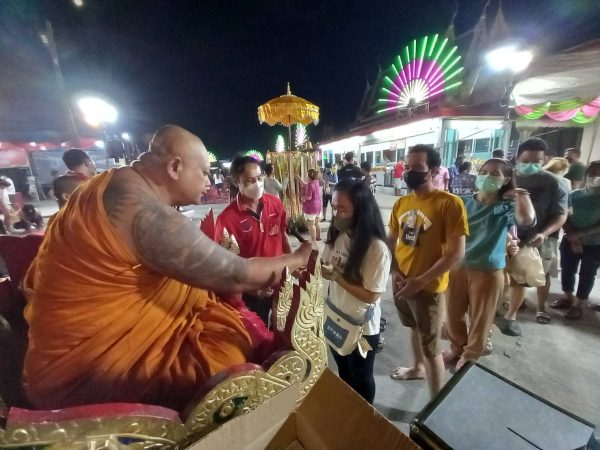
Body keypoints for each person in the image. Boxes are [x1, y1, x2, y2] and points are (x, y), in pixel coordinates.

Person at [23, 125, 312, 410]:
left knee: (222, 316)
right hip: (84, 367)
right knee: (228, 358)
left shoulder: (117, 183)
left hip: (98, 329)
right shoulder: (141, 209)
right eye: (203, 173)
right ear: (175, 167)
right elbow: (237, 274)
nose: (209, 182)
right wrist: (299, 259)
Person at [388, 144, 468, 397]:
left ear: (433, 170)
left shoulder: (449, 204)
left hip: (429, 288)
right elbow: (390, 241)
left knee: (432, 348)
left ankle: (434, 406)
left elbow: (456, 253)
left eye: (417, 168)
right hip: (401, 282)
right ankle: (416, 368)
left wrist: (420, 281)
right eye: (408, 167)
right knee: (414, 329)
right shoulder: (402, 202)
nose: (409, 172)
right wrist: (394, 271)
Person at [445, 159, 535, 369]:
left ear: (505, 180)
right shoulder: (463, 201)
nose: (487, 176)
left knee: (481, 316)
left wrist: (520, 193)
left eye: (494, 174)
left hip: (488, 269)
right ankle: (456, 348)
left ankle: (470, 355)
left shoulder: (506, 207)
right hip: (458, 265)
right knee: (453, 312)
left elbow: (527, 220)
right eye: (484, 171)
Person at [322, 179, 391, 404]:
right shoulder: (338, 235)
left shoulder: (376, 248)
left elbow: (372, 295)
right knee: (343, 370)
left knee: (361, 377)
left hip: (361, 328)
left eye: (343, 209)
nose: (337, 214)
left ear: (360, 210)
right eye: (334, 207)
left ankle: (365, 417)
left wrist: (338, 278)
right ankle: (349, 407)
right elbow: (325, 263)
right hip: (335, 316)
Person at [215, 155, 293, 325]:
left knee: (284, 330)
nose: (257, 184)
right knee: (259, 338)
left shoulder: (275, 204)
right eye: (250, 181)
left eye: (259, 178)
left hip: (281, 282)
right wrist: (252, 289)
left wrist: (292, 265)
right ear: (236, 182)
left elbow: (283, 236)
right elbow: (227, 265)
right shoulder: (226, 219)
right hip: (252, 292)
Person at [502, 138, 568, 336]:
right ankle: (495, 307)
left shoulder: (553, 183)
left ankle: (511, 317)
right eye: (526, 160)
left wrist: (544, 233)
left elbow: (560, 214)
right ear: (517, 158)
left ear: (544, 159)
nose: (531, 165)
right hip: (502, 237)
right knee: (499, 275)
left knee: (522, 279)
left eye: (536, 161)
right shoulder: (505, 178)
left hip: (531, 239)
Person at [552, 161, 600, 319]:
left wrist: (579, 235)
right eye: (592, 174)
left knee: (588, 273)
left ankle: (578, 305)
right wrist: (573, 237)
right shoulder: (574, 195)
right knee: (567, 270)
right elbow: (563, 216)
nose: (596, 177)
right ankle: (568, 297)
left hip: (594, 244)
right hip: (570, 241)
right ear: (586, 176)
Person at [297, 169, 322, 242]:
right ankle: (318, 237)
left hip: (311, 207)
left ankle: (313, 240)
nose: (305, 176)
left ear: (309, 176)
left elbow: (309, 197)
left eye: (306, 174)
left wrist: (301, 196)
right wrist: (299, 179)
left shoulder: (310, 185)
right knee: (316, 223)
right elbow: (305, 184)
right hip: (318, 206)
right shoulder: (316, 182)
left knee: (311, 225)